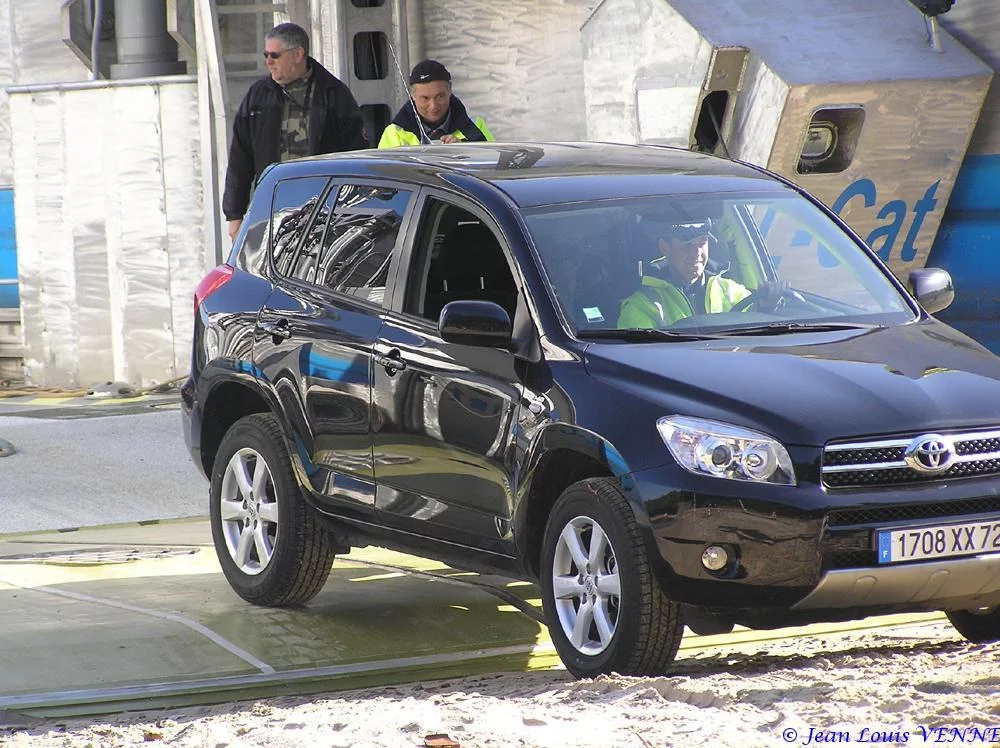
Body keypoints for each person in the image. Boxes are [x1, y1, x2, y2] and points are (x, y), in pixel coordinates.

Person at [223, 22, 368, 241]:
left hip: (323, 212)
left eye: (274, 55)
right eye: (266, 55)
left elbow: (356, 157)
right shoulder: (258, 96)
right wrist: (234, 215)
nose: (268, 62)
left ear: (298, 54)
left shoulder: (334, 94)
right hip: (271, 209)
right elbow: (239, 159)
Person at [618, 218, 780, 328]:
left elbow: (757, 329)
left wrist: (767, 306)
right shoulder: (642, 305)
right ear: (664, 248)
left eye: (702, 243)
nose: (696, 253)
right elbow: (641, 362)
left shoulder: (729, 289)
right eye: (687, 245)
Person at [378, 59, 494, 147]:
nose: (433, 106)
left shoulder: (475, 126)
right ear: (412, 96)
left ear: (450, 91)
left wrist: (465, 152)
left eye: (439, 96)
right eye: (425, 98)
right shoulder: (394, 133)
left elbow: (495, 166)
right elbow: (382, 176)